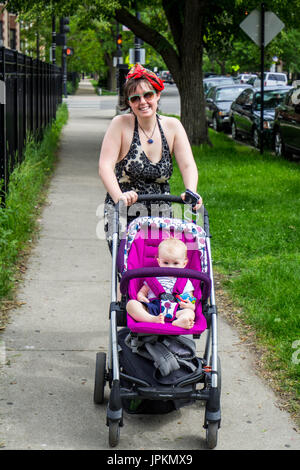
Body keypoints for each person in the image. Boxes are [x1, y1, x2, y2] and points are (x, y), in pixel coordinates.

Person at [98, 63, 202, 248]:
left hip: (161, 213)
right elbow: (105, 166)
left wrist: (191, 190)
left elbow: (187, 165)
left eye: (148, 95)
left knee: (161, 268)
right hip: (125, 209)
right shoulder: (120, 125)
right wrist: (119, 197)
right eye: (135, 98)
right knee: (130, 269)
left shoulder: (173, 127)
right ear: (129, 102)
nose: (142, 102)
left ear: (158, 95)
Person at [126, 238, 196, 329]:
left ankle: (181, 321)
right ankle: (152, 319)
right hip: (153, 307)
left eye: (175, 263)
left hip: (176, 310)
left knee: (190, 313)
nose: (170, 267)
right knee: (131, 304)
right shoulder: (154, 278)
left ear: (184, 263)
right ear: (159, 262)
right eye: (166, 263)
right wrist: (141, 297)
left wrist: (190, 306)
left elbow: (190, 300)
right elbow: (143, 292)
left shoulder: (185, 281)